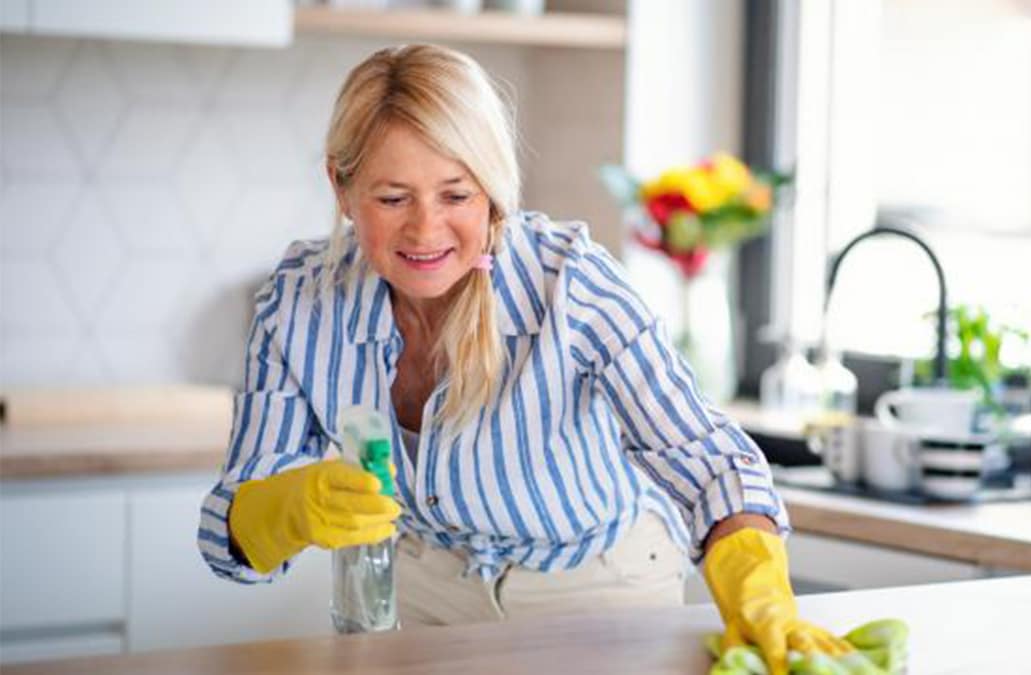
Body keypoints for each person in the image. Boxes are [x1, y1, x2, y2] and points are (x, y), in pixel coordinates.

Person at [197, 44, 854, 674]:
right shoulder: (300, 304)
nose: (425, 230)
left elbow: (709, 458)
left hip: (599, 594)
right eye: (392, 197)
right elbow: (227, 539)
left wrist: (759, 585)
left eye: (456, 195)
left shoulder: (570, 285)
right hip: (430, 600)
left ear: (494, 187)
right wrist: (286, 506)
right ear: (341, 189)